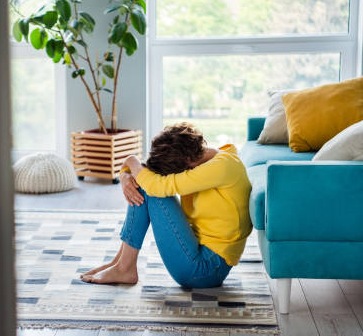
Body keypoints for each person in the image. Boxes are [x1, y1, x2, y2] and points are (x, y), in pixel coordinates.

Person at [81, 123, 252, 288]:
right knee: (144, 182)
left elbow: (154, 184)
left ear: (187, 160)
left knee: (149, 188)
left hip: (205, 270)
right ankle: (120, 263)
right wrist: (125, 174)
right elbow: (147, 173)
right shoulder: (210, 157)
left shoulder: (220, 168)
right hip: (200, 252)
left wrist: (130, 160)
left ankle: (124, 267)